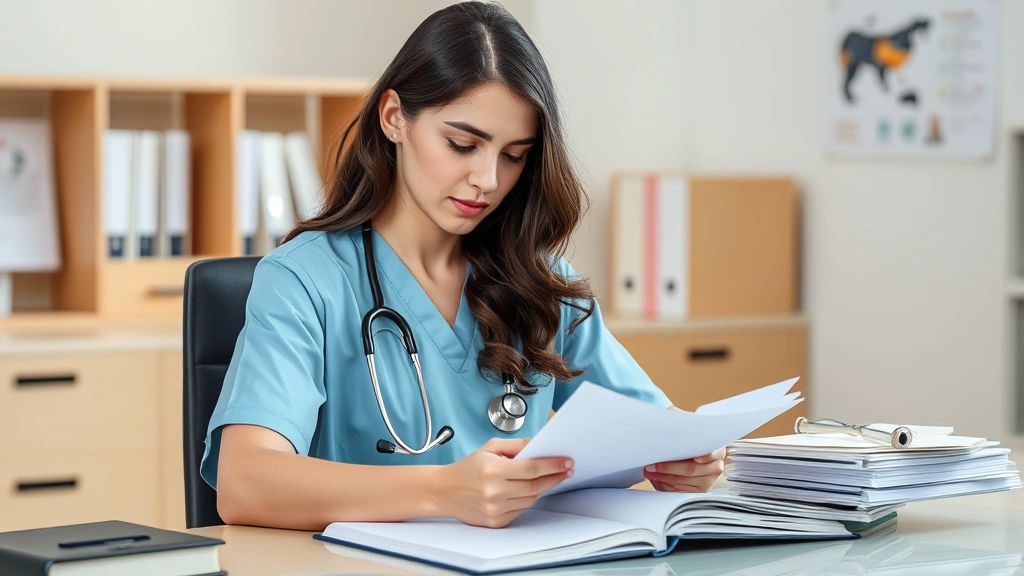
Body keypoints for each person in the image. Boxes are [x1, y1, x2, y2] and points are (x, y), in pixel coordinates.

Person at [202, 1, 726, 531]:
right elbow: (246, 484)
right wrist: (445, 491)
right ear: (393, 119)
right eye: (462, 144)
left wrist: (687, 455)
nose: (488, 179)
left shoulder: (544, 282)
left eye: (514, 155)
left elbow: (653, 429)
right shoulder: (304, 281)